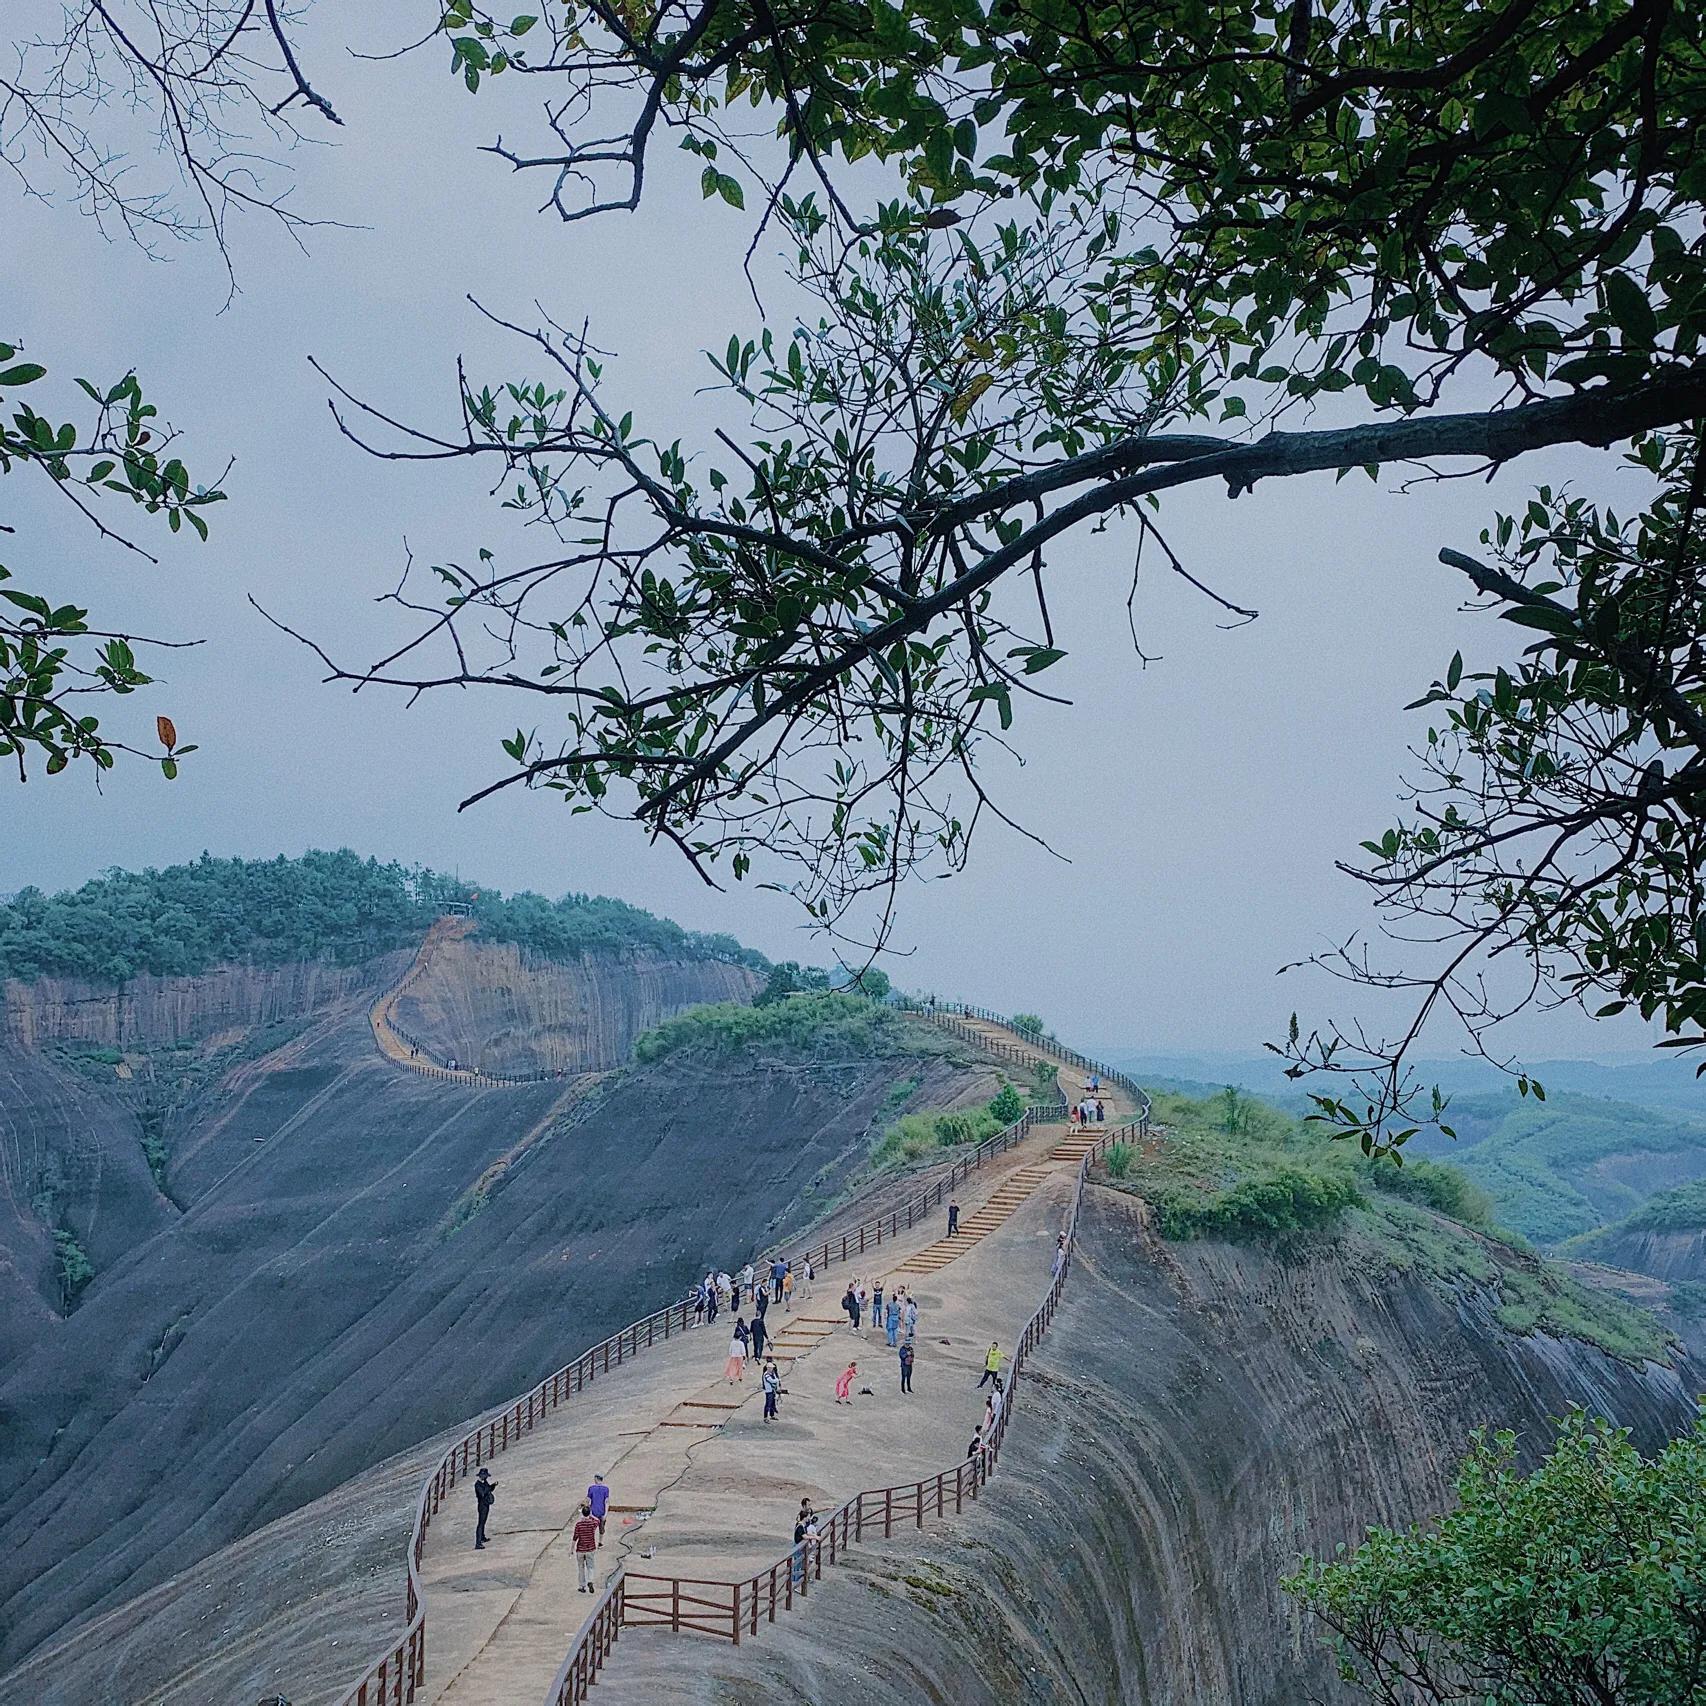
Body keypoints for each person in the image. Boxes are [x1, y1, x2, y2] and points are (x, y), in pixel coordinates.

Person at [572, 1502, 600, 1592]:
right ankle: (590, 1581)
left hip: (580, 1549)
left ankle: (582, 1586)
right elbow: (598, 1521)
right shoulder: (592, 1524)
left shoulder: (579, 1525)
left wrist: (571, 1549)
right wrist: (591, 1515)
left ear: (582, 1513)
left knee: (581, 1568)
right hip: (590, 1548)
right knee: (590, 1566)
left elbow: (575, 1537)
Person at [473, 1467, 496, 1549]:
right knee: (481, 1523)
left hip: (486, 1504)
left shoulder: (484, 1482)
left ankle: (482, 1537)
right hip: (482, 1505)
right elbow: (482, 1494)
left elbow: (489, 1489)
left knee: (484, 1521)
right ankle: (478, 1543)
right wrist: (489, 1488)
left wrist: (492, 1486)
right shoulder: (477, 1485)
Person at [587, 1473, 611, 1541]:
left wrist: (590, 1513)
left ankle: (591, 1542)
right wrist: (606, 1514)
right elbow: (606, 1502)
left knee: (591, 1529)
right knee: (602, 1528)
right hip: (602, 1511)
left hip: (593, 1512)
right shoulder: (606, 1489)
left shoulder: (591, 1488)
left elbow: (588, 1501)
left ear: (596, 1479)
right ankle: (600, 1542)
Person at [762, 1357, 781, 1422]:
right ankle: (765, 1417)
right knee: (768, 1404)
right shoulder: (766, 1374)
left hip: (773, 1390)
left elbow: (776, 1379)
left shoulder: (772, 1373)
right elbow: (772, 1381)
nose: (772, 1369)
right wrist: (777, 1380)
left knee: (773, 1403)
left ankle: (772, 1415)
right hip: (769, 1391)